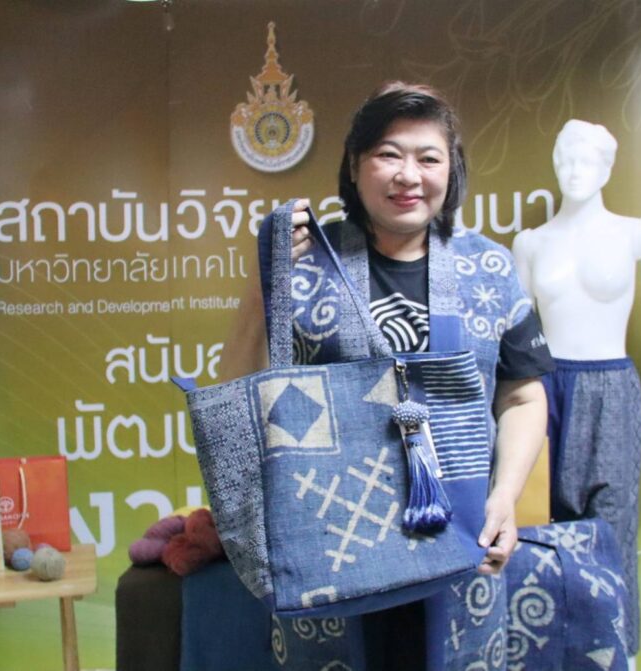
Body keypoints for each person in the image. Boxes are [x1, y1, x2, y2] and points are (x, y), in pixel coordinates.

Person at [221, 82, 554, 670]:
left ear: (452, 170)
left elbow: (523, 396)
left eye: (429, 158)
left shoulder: (490, 267)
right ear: (354, 166)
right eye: (388, 154)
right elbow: (237, 388)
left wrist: (505, 497)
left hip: (462, 538)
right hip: (330, 542)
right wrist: (262, 284)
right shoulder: (302, 263)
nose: (408, 175)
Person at [512, 119, 641, 660]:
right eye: (565, 160)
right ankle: (548, 649)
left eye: (586, 161)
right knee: (541, 522)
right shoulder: (531, 243)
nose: (574, 171)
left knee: (613, 526)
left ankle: (621, 653)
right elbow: (517, 336)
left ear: (608, 169)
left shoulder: (638, 232)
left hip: (612, 386)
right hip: (545, 387)